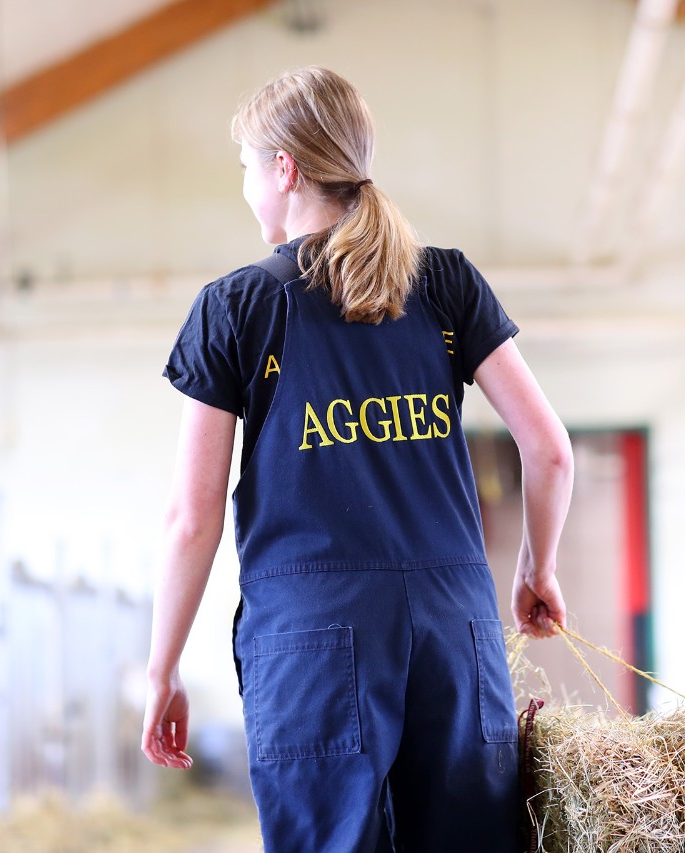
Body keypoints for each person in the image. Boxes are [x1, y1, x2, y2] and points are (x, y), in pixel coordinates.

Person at [141, 66, 573, 853]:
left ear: (284, 169)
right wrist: (535, 568)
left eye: (246, 167)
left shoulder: (235, 307)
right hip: (457, 627)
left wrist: (161, 668)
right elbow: (548, 451)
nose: (245, 188)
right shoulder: (446, 283)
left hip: (312, 635)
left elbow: (191, 519)